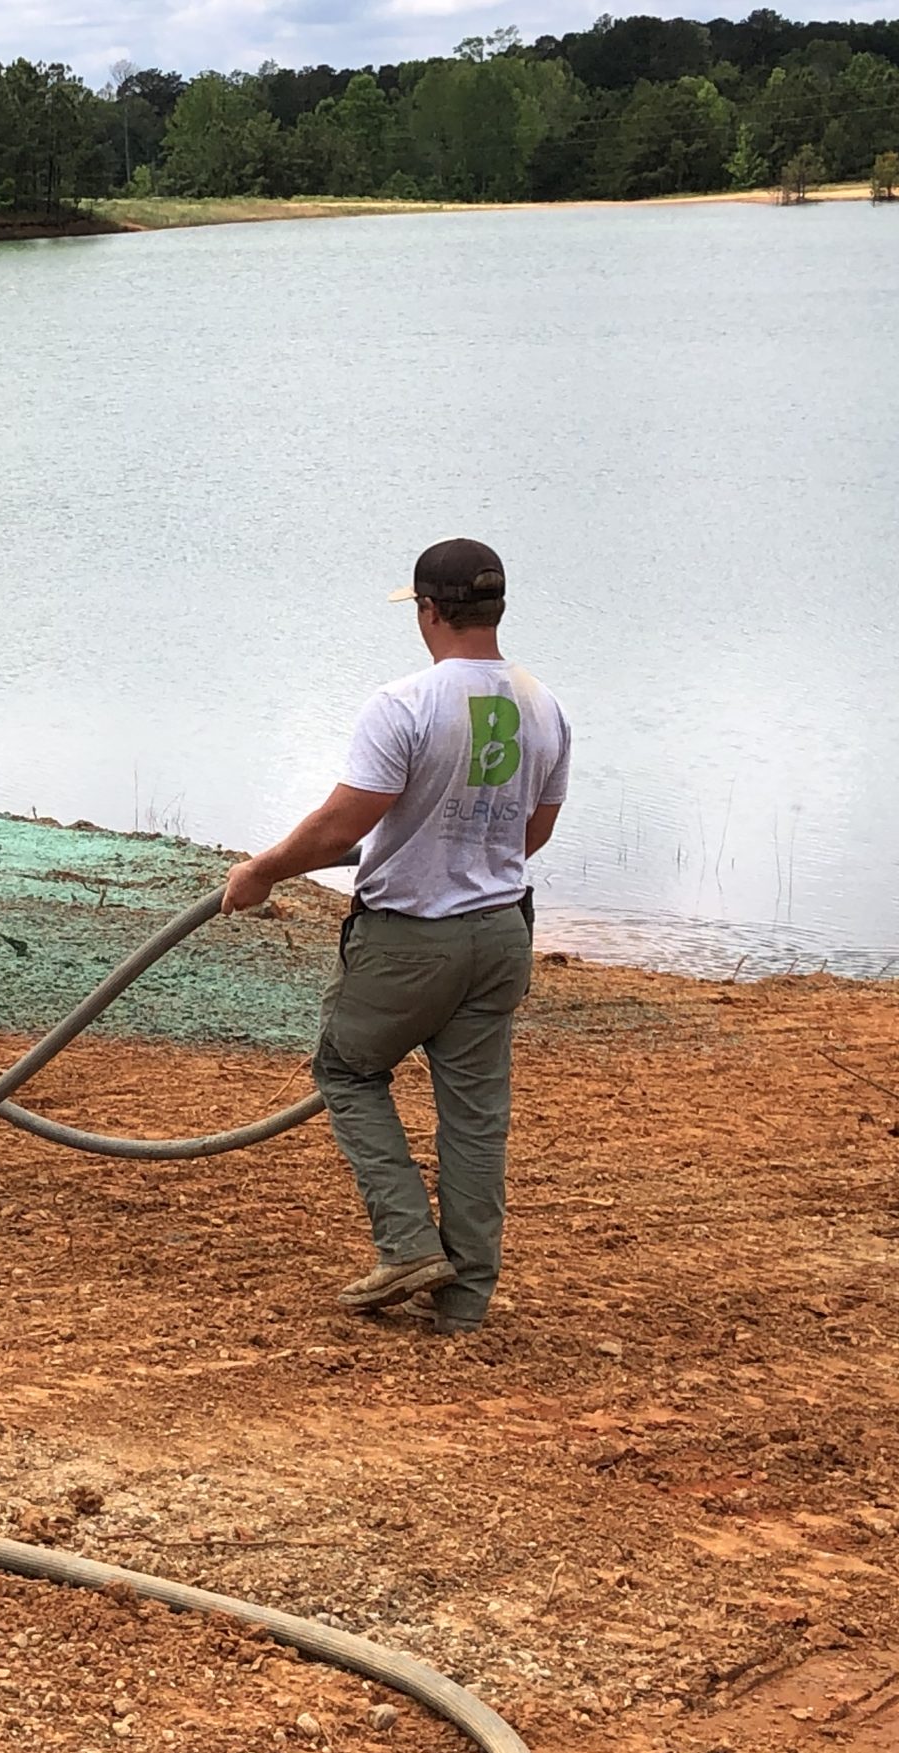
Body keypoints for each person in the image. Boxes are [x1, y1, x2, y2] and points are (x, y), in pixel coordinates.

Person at [220, 538, 571, 1333]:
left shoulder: (407, 703)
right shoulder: (543, 703)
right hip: (501, 934)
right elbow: (532, 831)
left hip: (412, 938)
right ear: (496, 608)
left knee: (345, 1069)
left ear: (429, 609)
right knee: (476, 1116)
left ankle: (408, 1241)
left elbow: (344, 822)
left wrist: (263, 872)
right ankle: (466, 1300)